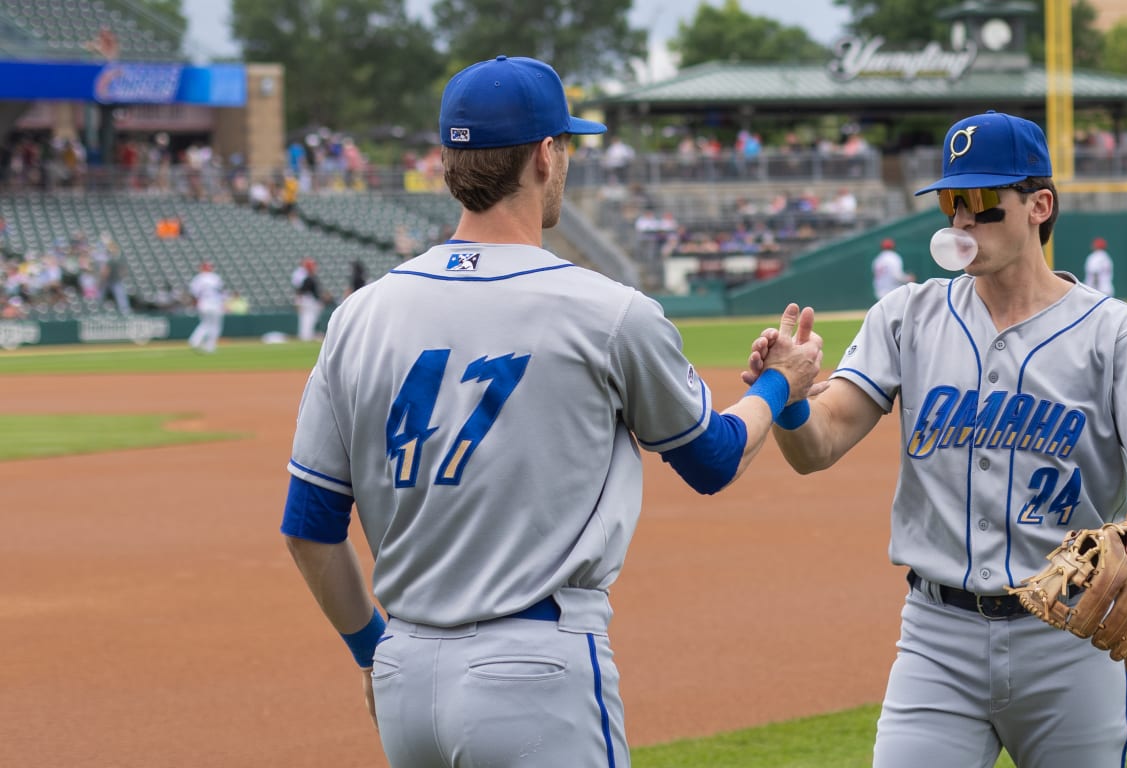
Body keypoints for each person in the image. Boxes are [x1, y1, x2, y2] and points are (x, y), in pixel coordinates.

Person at [278, 54, 823, 768]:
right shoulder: (606, 310)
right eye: (565, 145)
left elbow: (310, 529)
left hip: (405, 672)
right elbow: (713, 459)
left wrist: (371, 655)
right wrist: (779, 384)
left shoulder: (359, 314)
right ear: (544, 155)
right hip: (536, 670)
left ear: (451, 162)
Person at [744, 110, 1127, 767]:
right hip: (937, 638)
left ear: (1038, 205)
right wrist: (790, 401)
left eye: (984, 204)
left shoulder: (1113, 332)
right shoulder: (907, 315)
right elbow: (819, 444)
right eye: (951, 204)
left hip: (1067, 635)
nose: (962, 222)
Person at [186, 261, 225, 353]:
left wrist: (194, 304)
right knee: (215, 326)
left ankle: (194, 341)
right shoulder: (215, 277)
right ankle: (210, 346)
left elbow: (194, 293)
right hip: (215, 304)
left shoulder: (198, 278)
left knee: (205, 323)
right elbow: (221, 292)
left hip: (203, 304)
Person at [294, 258, 326, 341]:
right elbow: (302, 292)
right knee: (308, 318)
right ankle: (306, 336)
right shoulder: (307, 278)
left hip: (309, 301)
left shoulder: (310, 278)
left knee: (309, 318)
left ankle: (307, 335)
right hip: (309, 301)